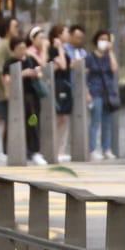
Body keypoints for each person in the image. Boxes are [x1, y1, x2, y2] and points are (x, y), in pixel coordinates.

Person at [3, 35, 44, 163]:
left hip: (32, 97)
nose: (22, 51)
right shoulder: (10, 62)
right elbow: (7, 79)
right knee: (13, 123)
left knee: (33, 122)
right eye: (19, 48)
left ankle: (34, 151)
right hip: (17, 98)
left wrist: (36, 72)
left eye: (24, 48)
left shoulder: (31, 60)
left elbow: (41, 71)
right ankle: (8, 150)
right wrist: (21, 74)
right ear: (13, 49)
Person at [85, 29, 120, 160]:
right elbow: (85, 75)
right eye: (101, 39)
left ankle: (107, 149)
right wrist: (87, 92)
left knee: (107, 122)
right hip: (95, 91)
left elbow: (114, 69)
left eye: (106, 40)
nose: (104, 42)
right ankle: (92, 149)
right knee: (95, 120)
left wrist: (110, 52)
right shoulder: (90, 57)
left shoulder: (108, 56)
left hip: (108, 92)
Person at [0, 18, 23, 155]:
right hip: (4, 90)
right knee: (7, 122)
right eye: (15, 26)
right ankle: (5, 151)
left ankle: (13, 148)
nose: (17, 29)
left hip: (14, 89)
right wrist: (6, 90)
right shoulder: (2, 46)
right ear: (8, 28)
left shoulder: (12, 44)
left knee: (13, 120)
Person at [49, 24, 74, 161]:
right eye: (65, 32)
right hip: (58, 85)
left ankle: (61, 150)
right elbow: (63, 65)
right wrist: (59, 48)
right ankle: (55, 149)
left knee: (65, 118)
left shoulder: (64, 49)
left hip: (65, 85)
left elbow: (67, 65)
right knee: (59, 118)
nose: (68, 35)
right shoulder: (54, 50)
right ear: (58, 35)